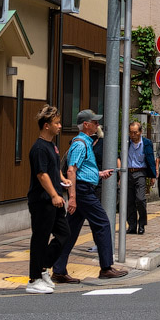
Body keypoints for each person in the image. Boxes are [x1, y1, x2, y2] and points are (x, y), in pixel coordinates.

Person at [59, 110, 128, 282]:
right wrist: (72, 197)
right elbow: (71, 170)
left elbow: (81, 169)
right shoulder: (81, 144)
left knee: (71, 231)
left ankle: (58, 269)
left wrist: (98, 173)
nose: (98, 125)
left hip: (82, 189)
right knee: (103, 224)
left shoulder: (86, 143)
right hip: (82, 192)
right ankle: (106, 267)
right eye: (95, 122)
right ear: (86, 125)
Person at [25, 106, 71, 293]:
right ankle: (34, 279)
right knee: (40, 238)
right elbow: (41, 174)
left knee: (64, 234)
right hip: (42, 200)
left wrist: (62, 179)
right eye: (57, 123)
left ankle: (43, 267)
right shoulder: (38, 148)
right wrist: (53, 194)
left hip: (55, 198)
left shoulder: (51, 145)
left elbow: (53, 169)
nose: (60, 126)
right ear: (46, 126)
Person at [124, 121, 155, 234]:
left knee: (140, 199)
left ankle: (142, 223)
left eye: (135, 132)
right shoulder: (126, 142)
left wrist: (152, 176)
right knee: (129, 201)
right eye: (131, 132)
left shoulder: (146, 143)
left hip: (140, 173)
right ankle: (132, 225)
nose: (133, 135)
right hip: (127, 173)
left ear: (141, 132)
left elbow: (151, 159)